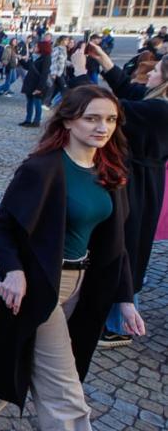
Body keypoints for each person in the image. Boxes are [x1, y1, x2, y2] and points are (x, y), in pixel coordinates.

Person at [0, 85, 146, 431]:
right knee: (64, 387)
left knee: (18, 350)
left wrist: (125, 298)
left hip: (83, 286)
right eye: (92, 118)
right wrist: (13, 271)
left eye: (110, 119)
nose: (102, 127)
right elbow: (2, 226)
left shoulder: (111, 169)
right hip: (40, 284)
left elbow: (116, 244)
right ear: (69, 120)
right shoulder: (42, 168)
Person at [71, 45, 168, 347]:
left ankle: (118, 324)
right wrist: (107, 64)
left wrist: (79, 72)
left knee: (123, 243)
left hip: (136, 183)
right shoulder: (156, 104)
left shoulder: (159, 110)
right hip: (146, 180)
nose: (149, 72)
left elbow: (101, 109)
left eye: (156, 71)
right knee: (130, 243)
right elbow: (128, 91)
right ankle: (119, 315)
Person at [19, 38, 51, 127]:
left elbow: (44, 74)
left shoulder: (46, 58)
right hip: (30, 82)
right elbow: (29, 67)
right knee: (29, 102)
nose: (35, 47)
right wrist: (21, 60)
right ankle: (28, 120)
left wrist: (39, 88)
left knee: (37, 102)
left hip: (37, 84)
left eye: (37, 46)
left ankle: (36, 121)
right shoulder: (37, 56)